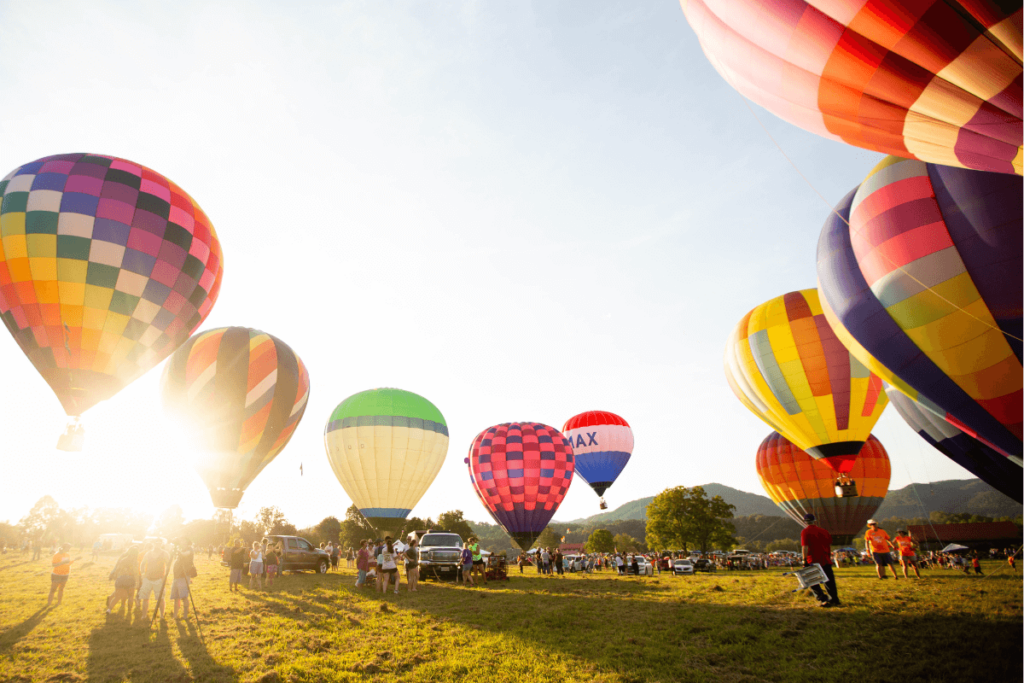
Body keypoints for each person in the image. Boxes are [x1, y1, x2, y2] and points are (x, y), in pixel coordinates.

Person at [800, 513, 839, 607]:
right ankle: (834, 599)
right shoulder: (824, 531)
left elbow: (805, 546)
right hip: (825, 559)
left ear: (805, 522)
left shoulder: (805, 532)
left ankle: (823, 598)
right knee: (829, 581)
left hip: (813, 559)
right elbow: (829, 544)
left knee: (811, 580)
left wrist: (804, 559)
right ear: (815, 521)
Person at [140, 541, 170, 619]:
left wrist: (165, 577)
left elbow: (168, 565)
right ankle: (144, 615)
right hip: (148, 578)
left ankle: (162, 615)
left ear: (161, 544)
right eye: (156, 543)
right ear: (153, 543)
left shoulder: (165, 553)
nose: (157, 544)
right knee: (145, 598)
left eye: (158, 543)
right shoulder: (148, 553)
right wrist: (143, 574)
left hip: (159, 579)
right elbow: (142, 564)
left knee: (161, 598)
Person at [106, 546, 140, 615]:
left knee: (117, 596)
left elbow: (117, 569)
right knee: (131, 596)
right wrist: (138, 581)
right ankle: (129, 612)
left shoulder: (123, 560)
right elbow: (136, 572)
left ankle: (109, 609)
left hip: (121, 579)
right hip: (130, 580)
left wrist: (116, 576)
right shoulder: (135, 562)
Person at [170, 539, 196, 620]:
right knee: (176, 597)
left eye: (183, 541)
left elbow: (185, 555)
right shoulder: (181, 550)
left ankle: (185, 615)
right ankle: (175, 615)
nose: (181, 542)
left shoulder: (190, 549)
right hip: (176, 576)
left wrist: (178, 551)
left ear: (187, 542)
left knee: (184, 596)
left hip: (184, 575)